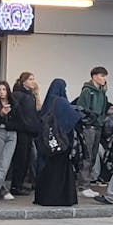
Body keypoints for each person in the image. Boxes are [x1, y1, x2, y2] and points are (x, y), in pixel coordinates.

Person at [34, 78, 81, 206]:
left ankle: (44, 198)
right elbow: (74, 119)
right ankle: (62, 198)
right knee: (61, 173)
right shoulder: (62, 102)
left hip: (47, 144)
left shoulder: (48, 102)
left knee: (47, 172)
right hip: (62, 144)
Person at [74, 67, 109, 197]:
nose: (104, 79)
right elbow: (81, 109)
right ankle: (83, 186)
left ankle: (87, 183)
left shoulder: (102, 93)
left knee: (93, 157)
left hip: (98, 127)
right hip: (89, 127)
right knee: (87, 156)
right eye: (102, 76)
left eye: (105, 76)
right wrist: (89, 120)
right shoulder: (88, 91)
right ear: (94, 76)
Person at [7, 72, 40, 196]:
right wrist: (26, 124)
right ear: (24, 81)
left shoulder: (31, 95)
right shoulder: (18, 95)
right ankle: (16, 185)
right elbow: (18, 113)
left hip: (30, 130)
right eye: (30, 79)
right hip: (22, 130)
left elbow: (36, 109)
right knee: (20, 158)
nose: (33, 82)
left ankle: (20, 184)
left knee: (27, 158)